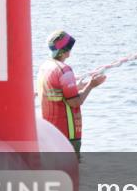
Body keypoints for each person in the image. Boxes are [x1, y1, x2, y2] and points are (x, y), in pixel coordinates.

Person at [36, 30, 107, 160]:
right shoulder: (64, 70)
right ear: (65, 50)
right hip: (67, 133)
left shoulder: (44, 67)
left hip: (50, 130)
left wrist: (76, 86)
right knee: (71, 168)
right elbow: (75, 102)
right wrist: (91, 85)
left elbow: (55, 91)